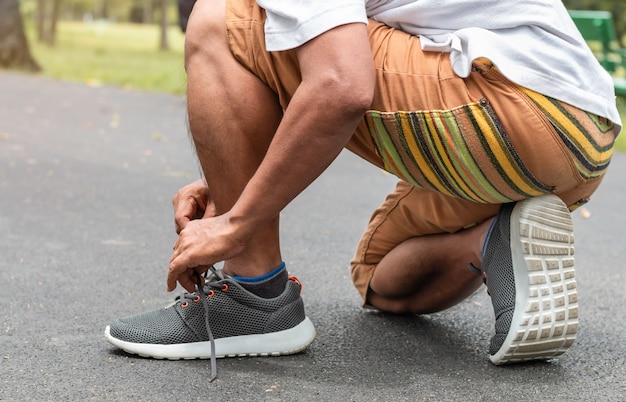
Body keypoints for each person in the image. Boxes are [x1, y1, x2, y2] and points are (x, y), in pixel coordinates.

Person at [105, 0, 621, 378]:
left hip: (511, 106)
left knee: (221, 19)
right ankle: (494, 241)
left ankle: (253, 294)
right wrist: (229, 175)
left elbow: (340, 85)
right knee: (381, 277)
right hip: (582, 137)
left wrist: (236, 225)